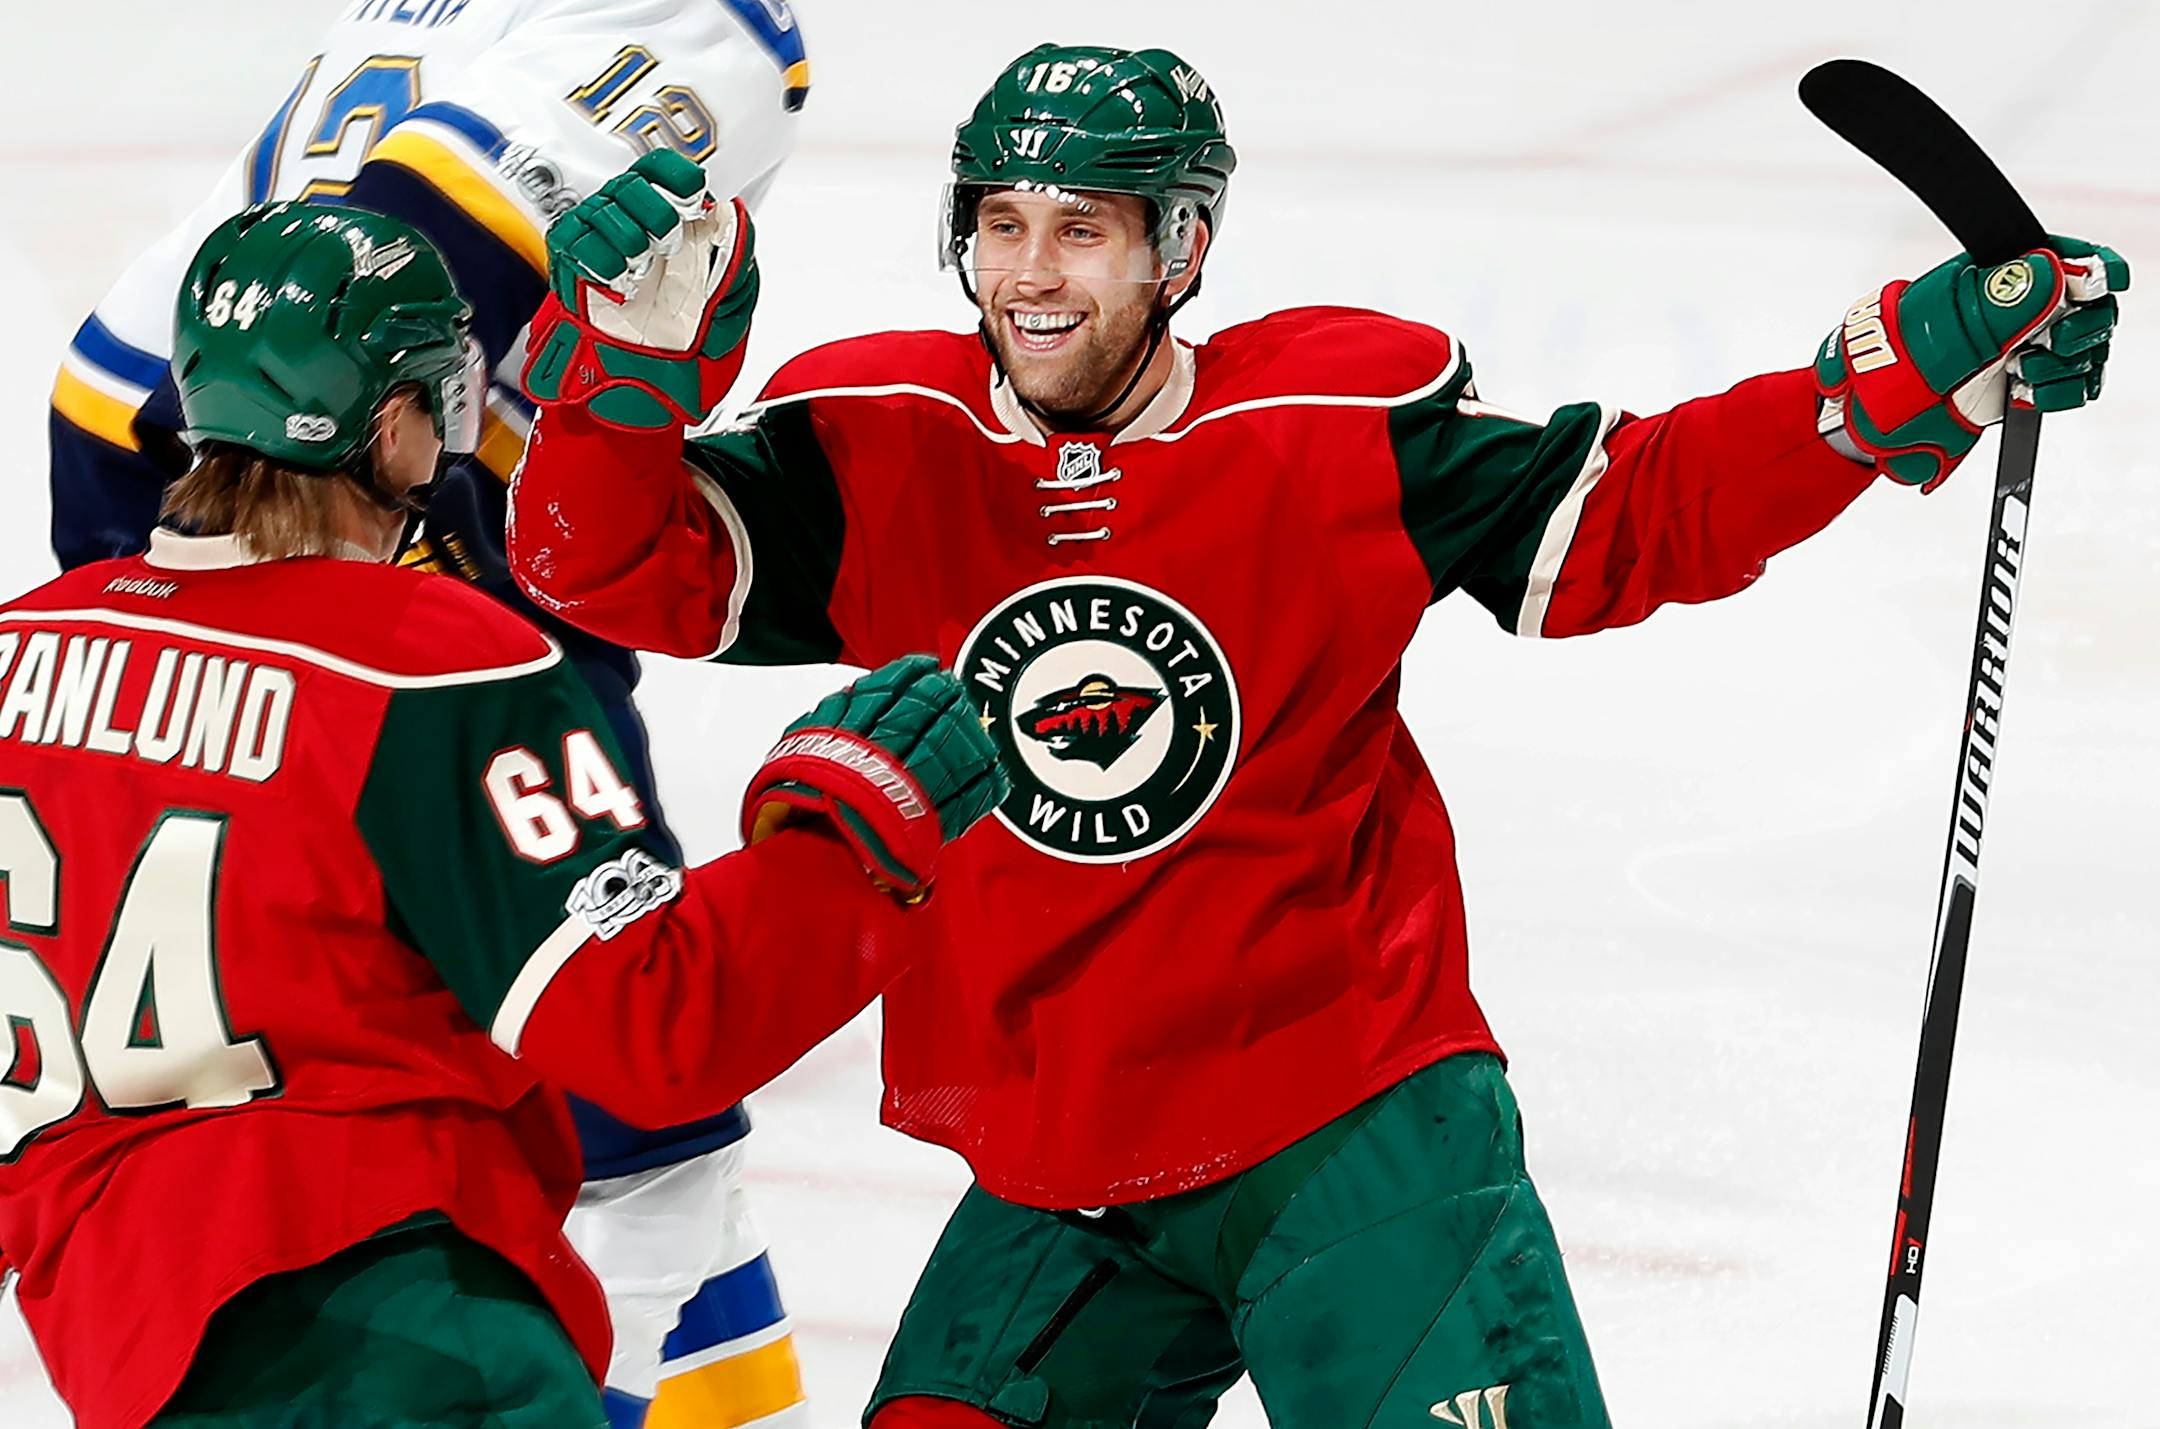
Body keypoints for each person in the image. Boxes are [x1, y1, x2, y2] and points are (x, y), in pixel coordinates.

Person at [504, 43, 2128, 1429]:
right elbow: (603, 565)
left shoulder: (1338, 421)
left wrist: (1909, 369)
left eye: (1084, 226)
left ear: (1183, 245)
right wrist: (615, 391)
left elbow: (1638, 516)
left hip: (1349, 1126)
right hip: (1056, 1157)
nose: (1030, 271)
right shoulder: (884, 439)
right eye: (998, 222)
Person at [0, 203, 1003, 1429]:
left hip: (120, 1332)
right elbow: (654, 1020)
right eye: (440, 396)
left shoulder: (21, 650)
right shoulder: (427, 659)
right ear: (391, 425)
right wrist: (854, 828)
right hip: (397, 1328)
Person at [45, 2, 826, 1422]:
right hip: (408, 541)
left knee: (416, 1064)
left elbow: (117, 382)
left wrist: (201, 617)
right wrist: (398, 614)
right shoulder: (710, 21)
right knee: (630, 1057)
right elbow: (417, 249)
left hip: (220, 497)